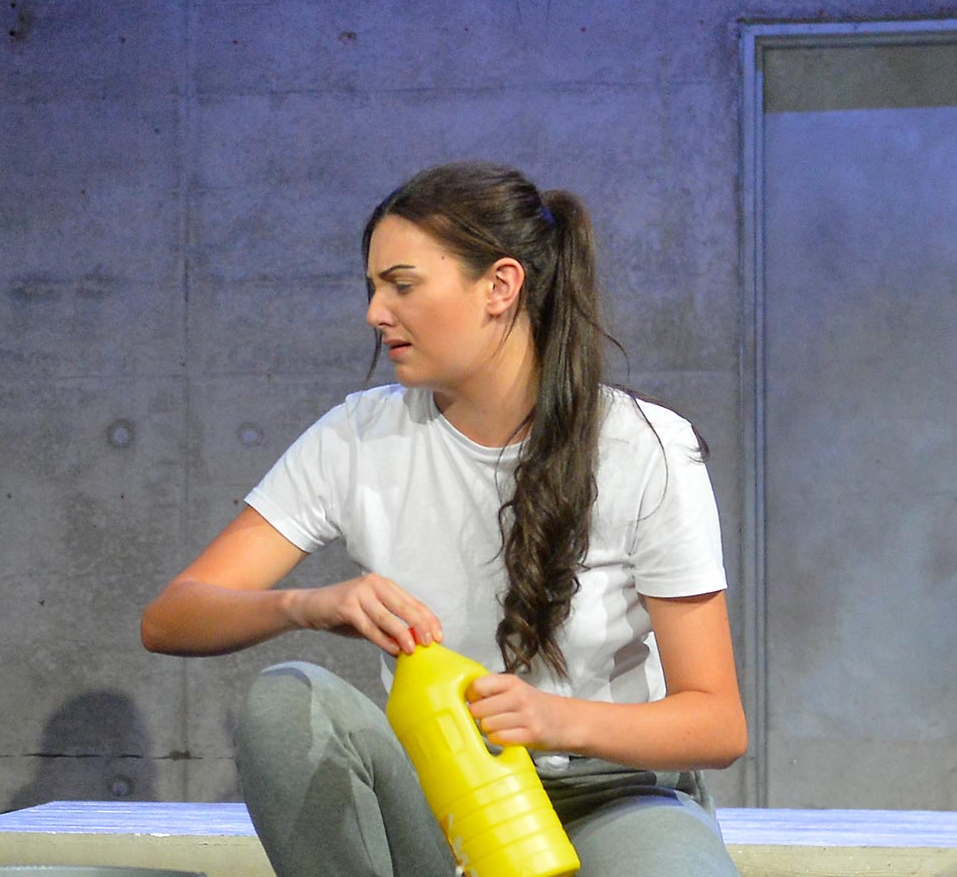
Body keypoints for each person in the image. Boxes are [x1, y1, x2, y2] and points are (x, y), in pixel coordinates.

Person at [141, 162, 745, 877]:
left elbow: (716, 721)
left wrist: (553, 719)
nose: (375, 312)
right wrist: (306, 603)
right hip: (441, 797)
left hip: (608, 793)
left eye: (402, 284)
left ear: (500, 286)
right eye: (371, 288)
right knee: (286, 702)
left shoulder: (645, 446)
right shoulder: (356, 437)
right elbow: (172, 617)